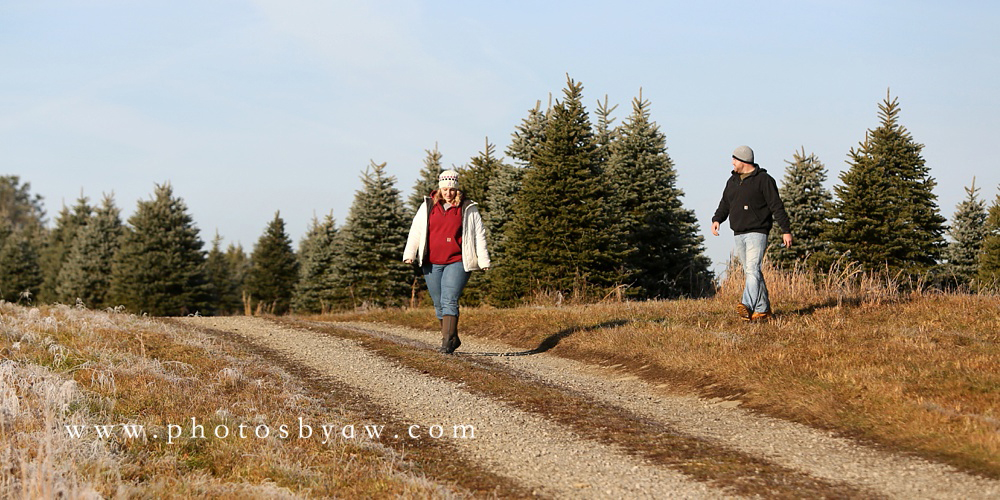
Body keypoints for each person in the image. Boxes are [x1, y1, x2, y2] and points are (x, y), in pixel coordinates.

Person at [403, 169, 490, 353]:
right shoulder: (428, 206)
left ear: (456, 190)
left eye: (451, 189)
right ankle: (452, 337)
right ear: (440, 188)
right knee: (438, 302)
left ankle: (447, 342)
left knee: (449, 299)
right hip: (431, 262)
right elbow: (416, 230)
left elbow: (478, 235)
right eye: (444, 189)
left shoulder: (467, 207)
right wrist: (410, 253)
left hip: (457, 260)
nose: (448, 193)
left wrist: (483, 260)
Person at [711, 146, 792, 322]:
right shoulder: (732, 181)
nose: (732, 163)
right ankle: (763, 310)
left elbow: (776, 206)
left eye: (734, 159)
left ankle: (746, 305)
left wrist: (786, 230)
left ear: (744, 161)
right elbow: (725, 203)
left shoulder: (764, 180)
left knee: (752, 269)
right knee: (752, 271)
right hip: (739, 232)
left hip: (757, 231)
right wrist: (717, 219)